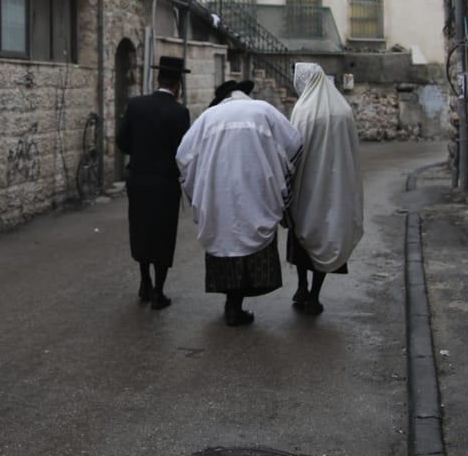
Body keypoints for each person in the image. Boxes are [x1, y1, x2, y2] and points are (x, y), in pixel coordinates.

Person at [176, 81, 303, 326]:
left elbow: (183, 156)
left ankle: (231, 303)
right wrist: (280, 176)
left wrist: (199, 192)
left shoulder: (208, 117)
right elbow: (294, 144)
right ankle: (238, 304)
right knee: (252, 249)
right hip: (256, 193)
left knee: (226, 242)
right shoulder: (263, 111)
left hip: (219, 196)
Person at [286, 62, 365, 316]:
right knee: (328, 233)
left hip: (306, 188)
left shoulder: (303, 110)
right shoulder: (342, 109)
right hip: (335, 188)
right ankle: (314, 294)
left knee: (302, 234)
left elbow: (293, 150)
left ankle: (301, 287)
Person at [115, 55, 192, 310]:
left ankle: (144, 282)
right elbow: (184, 152)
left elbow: (122, 141)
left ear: (157, 78)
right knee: (163, 235)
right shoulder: (180, 113)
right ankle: (159, 291)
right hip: (166, 184)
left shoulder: (137, 105)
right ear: (178, 84)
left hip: (139, 180)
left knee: (141, 231)